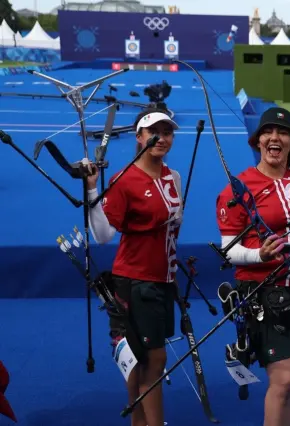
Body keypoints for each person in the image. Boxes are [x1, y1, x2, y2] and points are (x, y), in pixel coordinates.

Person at [215, 107, 290, 426]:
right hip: (264, 292)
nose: (275, 137)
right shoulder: (238, 189)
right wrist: (259, 255)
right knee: (285, 380)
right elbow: (229, 250)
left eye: (283, 132)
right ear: (258, 140)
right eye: (268, 132)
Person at [86, 108, 183, 426]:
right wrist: (91, 191)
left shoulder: (173, 177)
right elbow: (103, 235)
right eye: (154, 131)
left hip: (163, 279)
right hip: (135, 281)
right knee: (155, 359)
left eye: (167, 132)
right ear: (139, 136)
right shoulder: (124, 179)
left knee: (140, 361)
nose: (162, 138)